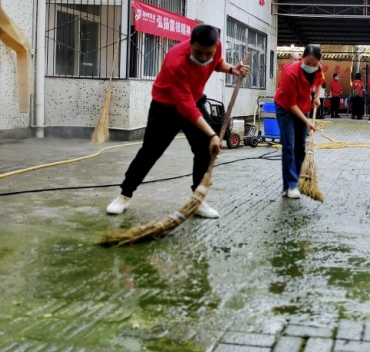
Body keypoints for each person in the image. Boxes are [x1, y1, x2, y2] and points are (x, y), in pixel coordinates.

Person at [107, 24, 250, 217]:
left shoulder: (215, 48)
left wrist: (232, 69)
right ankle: (124, 195)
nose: (203, 57)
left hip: (194, 100)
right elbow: (186, 108)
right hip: (165, 107)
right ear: (190, 44)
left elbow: (216, 63)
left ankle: (197, 200)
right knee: (150, 152)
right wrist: (212, 134)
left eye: (209, 53)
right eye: (199, 52)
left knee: (205, 149)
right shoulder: (176, 61)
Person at [274, 44, 324, 199]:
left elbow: (319, 82)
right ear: (302, 59)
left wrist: (316, 97)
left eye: (314, 64)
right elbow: (290, 104)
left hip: (303, 107)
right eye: (308, 62)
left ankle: (297, 180)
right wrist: (307, 122)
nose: (311, 66)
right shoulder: (290, 72)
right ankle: (290, 185)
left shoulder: (318, 69)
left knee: (300, 146)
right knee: (289, 145)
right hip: (286, 108)